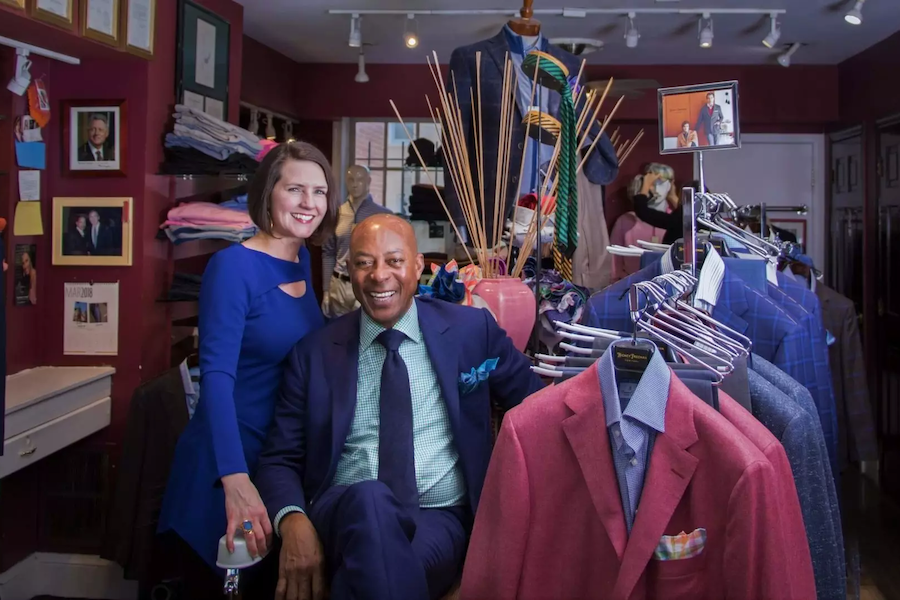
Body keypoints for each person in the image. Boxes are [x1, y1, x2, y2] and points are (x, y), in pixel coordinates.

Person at [255, 214, 545, 600]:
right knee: (370, 498)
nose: (379, 275)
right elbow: (279, 458)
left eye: (393, 261)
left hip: (437, 516)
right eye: (364, 262)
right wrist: (292, 520)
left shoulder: (472, 332)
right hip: (341, 512)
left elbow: (537, 411)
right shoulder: (315, 353)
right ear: (349, 268)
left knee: (367, 578)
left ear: (418, 265)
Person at [158, 142, 339, 597]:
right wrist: (234, 479)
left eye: (319, 192)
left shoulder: (301, 258)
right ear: (267, 193)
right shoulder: (232, 266)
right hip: (226, 461)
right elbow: (215, 377)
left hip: (273, 461)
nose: (308, 203)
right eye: (295, 189)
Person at [321, 164, 392, 319]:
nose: (355, 183)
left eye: (360, 179)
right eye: (350, 179)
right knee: (337, 333)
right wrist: (326, 290)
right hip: (338, 283)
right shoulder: (336, 214)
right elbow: (328, 253)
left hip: (368, 282)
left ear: (369, 181)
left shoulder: (383, 215)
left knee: (364, 332)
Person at [632, 173, 709, 244]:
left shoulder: (682, 221)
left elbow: (642, 211)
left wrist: (646, 185)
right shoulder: (709, 220)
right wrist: (673, 197)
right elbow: (684, 214)